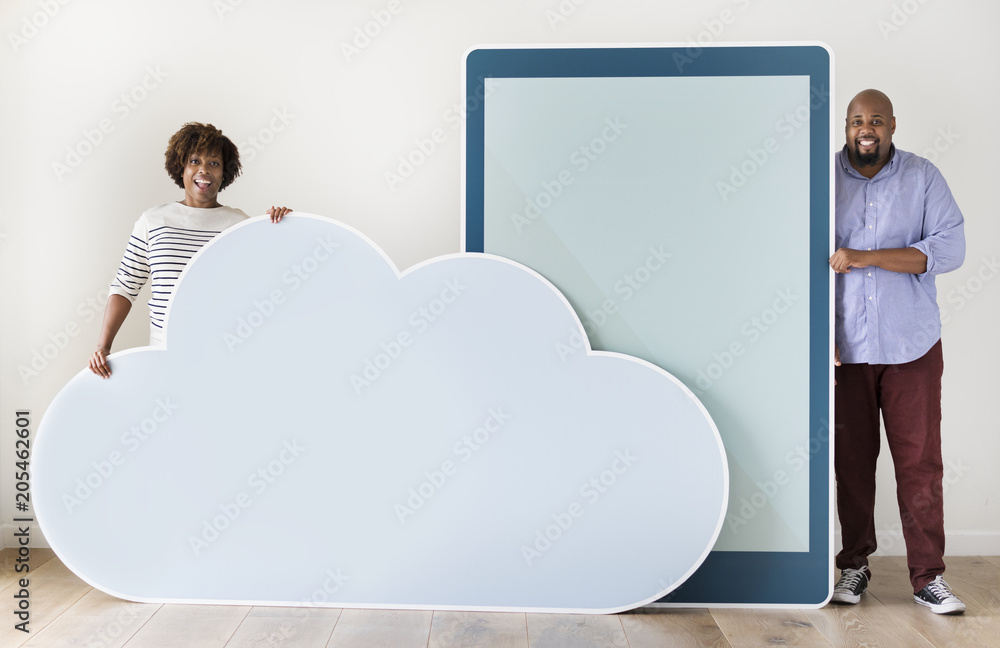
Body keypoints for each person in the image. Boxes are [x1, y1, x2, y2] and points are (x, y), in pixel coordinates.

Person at [828, 89, 966, 614]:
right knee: (852, 464)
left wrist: (867, 258)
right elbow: (793, 252)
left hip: (911, 346)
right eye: (857, 121)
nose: (867, 129)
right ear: (846, 126)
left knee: (920, 464)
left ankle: (928, 577)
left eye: (877, 121)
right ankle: (854, 567)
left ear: (892, 126)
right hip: (844, 351)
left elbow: (950, 248)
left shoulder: (922, 176)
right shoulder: (821, 178)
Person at [88, 122, 291, 378]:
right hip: (164, 359)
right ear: (180, 167)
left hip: (224, 359)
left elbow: (272, 282)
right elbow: (125, 286)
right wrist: (103, 346)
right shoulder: (153, 221)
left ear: (224, 172)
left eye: (214, 163)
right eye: (195, 161)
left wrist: (283, 228)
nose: (204, 170)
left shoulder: (240, 224)